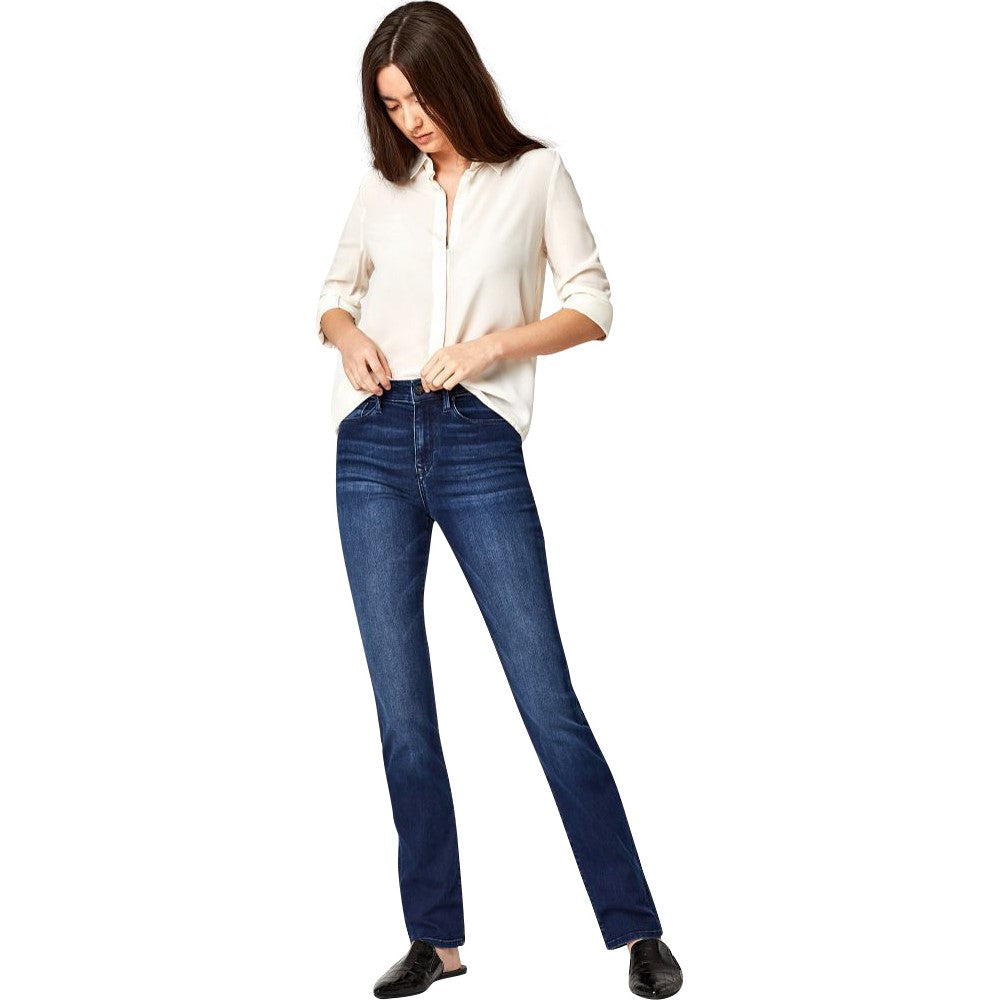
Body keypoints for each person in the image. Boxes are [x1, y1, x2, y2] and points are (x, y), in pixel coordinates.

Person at [315, 4, 683, 997]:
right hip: (371, 447)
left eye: (419, 99)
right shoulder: (380, 188)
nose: (409, 120)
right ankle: (435, 939)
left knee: (544, 695)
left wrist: (492, 347)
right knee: (402, 711)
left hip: (476, 440)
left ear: (457, 80)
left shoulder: (535, 176)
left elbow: (593, 301)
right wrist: (348, 337)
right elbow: (333, 294)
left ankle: (636, 930)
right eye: (392, 105)